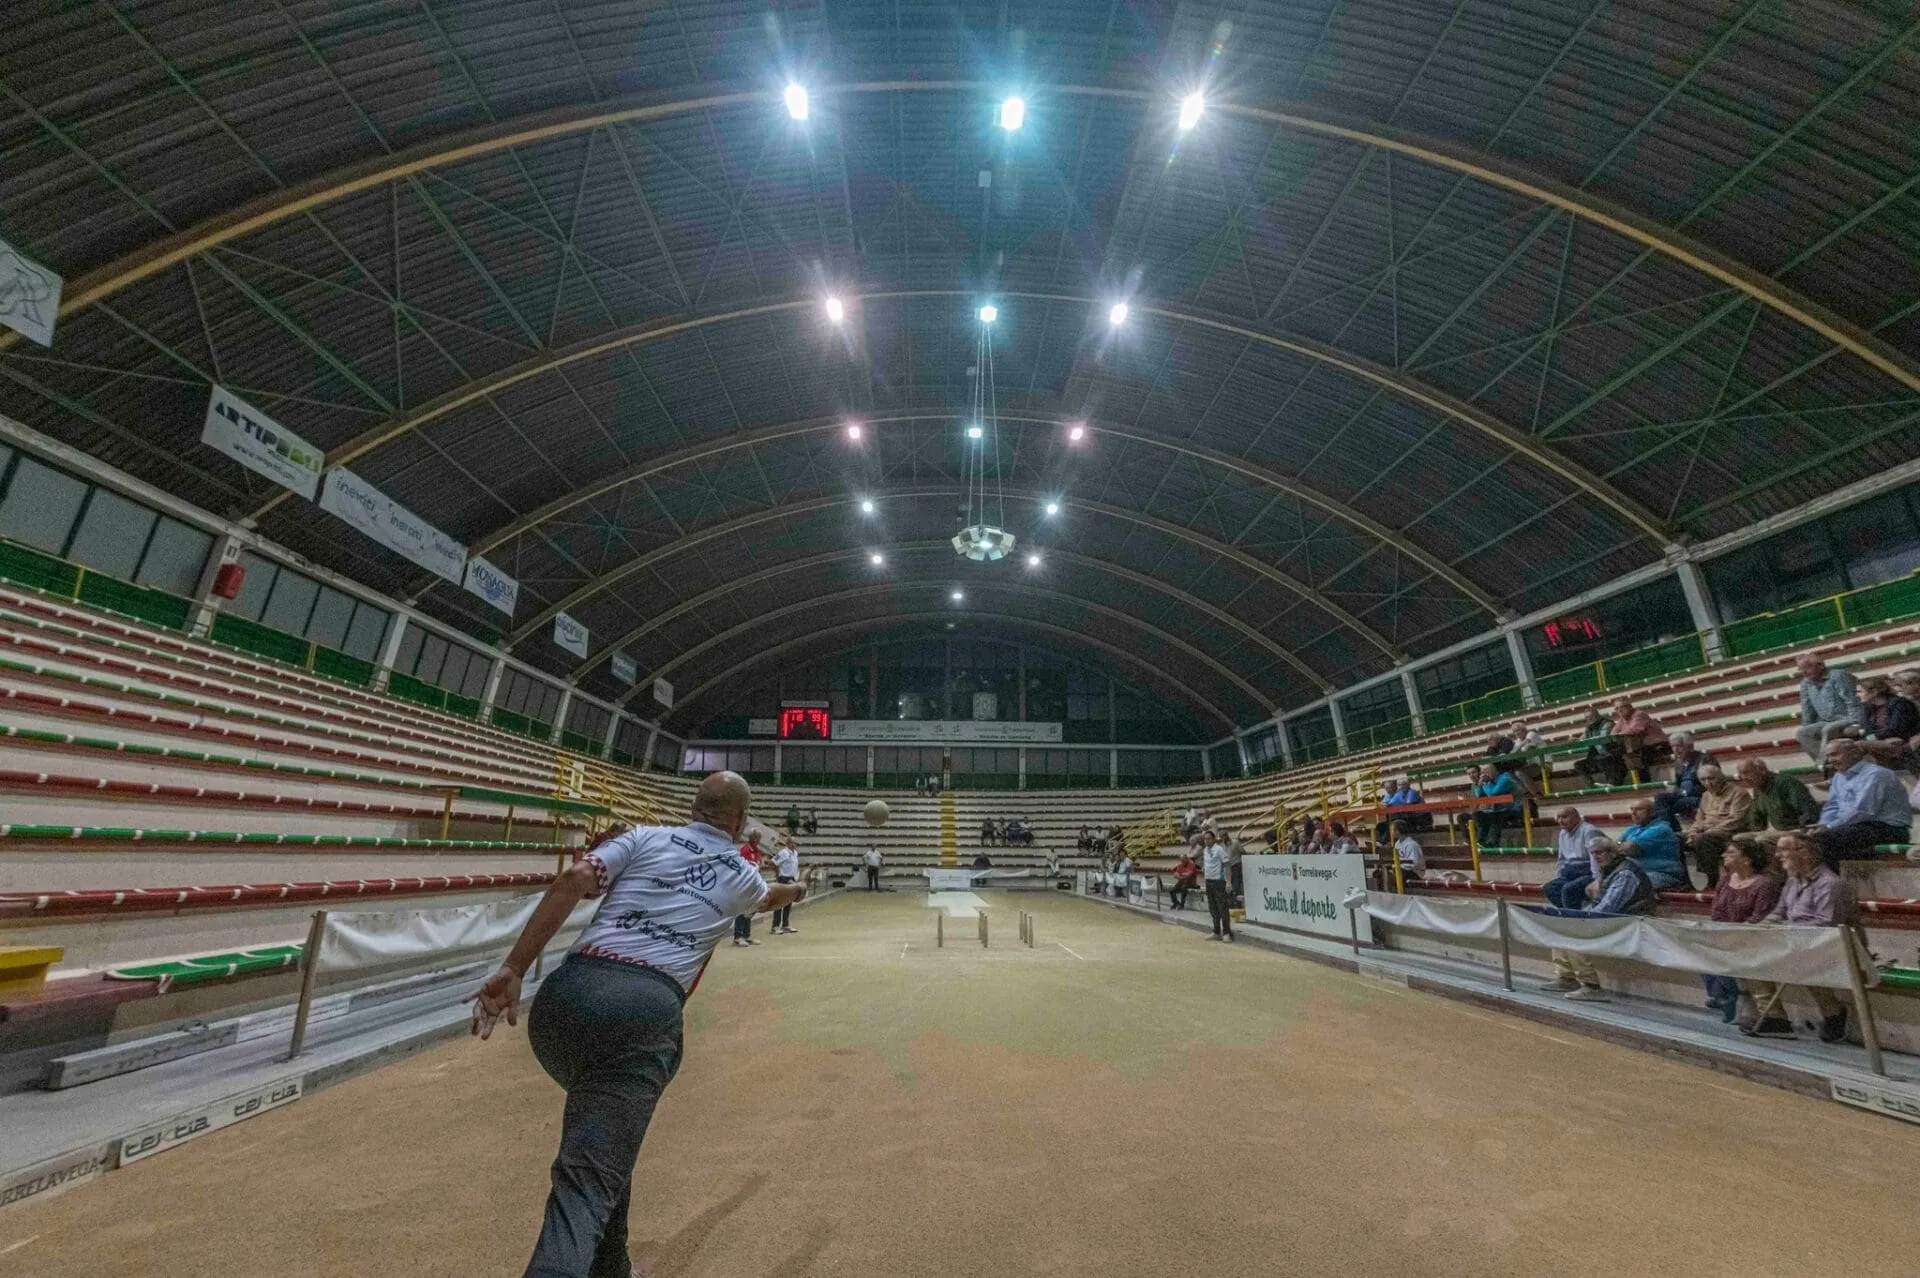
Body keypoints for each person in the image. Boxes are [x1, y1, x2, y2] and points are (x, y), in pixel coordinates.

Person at [468, 771, 805, 1278]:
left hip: (565, 1000)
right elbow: (769, 898)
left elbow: (574, 880)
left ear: (694, 807)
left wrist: (515, 967)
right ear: (739, 821)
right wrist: (798, 888)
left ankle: (612, 1269)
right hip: (639, 1012)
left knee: (605, 1139)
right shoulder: (741, 873)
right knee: (586, 1180)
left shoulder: (646, 836)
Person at [1737, 833, 1858, 1040]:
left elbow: (1826, 924)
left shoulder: (1830, 883)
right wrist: (1762, 926)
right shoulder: (1792, 882)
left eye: (1783, 849)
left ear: (1804, 852)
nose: (1777, 855)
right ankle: (1775, 1017)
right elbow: (1779, 912)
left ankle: (1833, 1012)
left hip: (1833, 946)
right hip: (1799, 942)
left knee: (1801, 959)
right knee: (1750, 951)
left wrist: (1782, 928)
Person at [1537, 838, 1657, 1001]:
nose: (1595, 857)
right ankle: (1567, 978)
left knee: (1573, 930)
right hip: (1616, 918)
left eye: (1599, 853)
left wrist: (1581, 918)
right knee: (1560, 925)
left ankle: (1591, 986)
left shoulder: (1626, 873)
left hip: (1631, 921)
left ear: (1612, 853)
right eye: (1593, 854)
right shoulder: (1608, 870)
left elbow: (1607, 909)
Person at [1702, 842, 1781, 1021]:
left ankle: (1734, 997)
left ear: (1747, 859)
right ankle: (1724, 995)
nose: (1724, 855)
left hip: (1753, 935)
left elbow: (1760, 916)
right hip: (1727, 933)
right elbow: (1716, 912)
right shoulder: (1725, 881)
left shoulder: (1765, 884)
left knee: (1734, 953)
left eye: (1730, 852)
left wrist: (1735, 933)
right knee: (1702, 948)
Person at [1804, 737, 1912, 866]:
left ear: (1854, 753)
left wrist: (1828, 827)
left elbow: (1863, 810)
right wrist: (1822, 825)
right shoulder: (1839, 777)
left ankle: (1832, 882)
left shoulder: (1876, 774)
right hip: (1858, 826)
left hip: (1889, 829)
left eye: (1834, 754)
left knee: (1824, 839)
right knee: (1799, 839)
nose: (1830, 760)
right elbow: (1832, 807)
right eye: (1828, 756)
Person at [1683, 763, 1754, 889]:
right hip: (1708, 832)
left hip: (1730, 832)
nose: (1708, 783)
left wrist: (1708, 829)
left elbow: (1736, 820)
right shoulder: (1705, 796)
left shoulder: (1738, 793)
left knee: (1704, 838)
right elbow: (1699, 819)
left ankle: (1712, 881)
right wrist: (1693, 832)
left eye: (1711, 778)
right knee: (1675, 839)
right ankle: (1684, 881)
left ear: (1721, 777)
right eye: (1703, 780)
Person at [1794, 653, 1861, 763]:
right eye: (1801, 669)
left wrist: (1856, 723)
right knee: (1802, 733)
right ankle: (1827, 763)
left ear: (1820, 665)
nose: (1804, 672)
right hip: (1826, 721)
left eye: (1807, 667)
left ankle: (1826, 764)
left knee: (1828, 729)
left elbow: (1852, 701)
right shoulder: (1805, 683)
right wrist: (1808, 727)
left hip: (1847, 718)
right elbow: (1807, 709)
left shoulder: (1838, 676)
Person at [1614, 796, 1689, 890]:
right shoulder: (1632, 829)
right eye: (1632, 809)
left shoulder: (1661, 829)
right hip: (1640, 873)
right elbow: (1615, 847)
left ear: (1652, 812)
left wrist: (1622, 845)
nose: (1633, 813)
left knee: (1626, 884)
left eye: (1639, 809)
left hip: (1663, 874)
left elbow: (1630, 848)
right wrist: (1621, 845)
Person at [1735, 757, 1820, 840]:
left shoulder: (1786, 783)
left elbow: (1808, 811)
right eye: (1740, 774)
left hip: (1796, 829)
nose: (1743, 778)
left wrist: (1804, 832)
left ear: (1762, 770)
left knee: (1762, 839)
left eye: (1746, 773)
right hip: (1778, 831)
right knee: (1739, 838)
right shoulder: (1758, 789)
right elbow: (1757, 819)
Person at [1851, 674, 1919, 770]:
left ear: (1874, 692)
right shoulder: (1868, 707)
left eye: (1859, 691)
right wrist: (1873, 738)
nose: (1857, 695)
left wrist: (1874, 737)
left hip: (1900, 740)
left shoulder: (1899, 703)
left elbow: (1896, 729)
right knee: (1845, 745)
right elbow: (1866, 728)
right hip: (1880, 741)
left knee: (1857, 746)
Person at [1545, 807, 1606, 909]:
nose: (1560, 821)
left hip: (1588, 872)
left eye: (1564, 817)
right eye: (1558, 817)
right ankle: (1569, 913)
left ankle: (1575, 917)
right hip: (1571, 872)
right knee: (1550, 888)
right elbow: (1562, 859)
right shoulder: (1562, 833)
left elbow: (1596, 857)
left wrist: (1597, 880)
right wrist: (1559, 876)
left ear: (1576, 817)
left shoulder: (1589, 831)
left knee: (1568, 889)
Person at [1650, 733, 1713, 831]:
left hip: (1700, 796)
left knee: (1664, 808)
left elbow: (1710, 783)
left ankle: (1672, 832)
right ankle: (1672, 831)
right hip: (1683, 795)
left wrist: (1684, 792)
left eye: (1679, 746)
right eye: (1673, 746)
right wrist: (1675, 790)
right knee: (1660, 799)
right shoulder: (1679, 763)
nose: (1675, 750)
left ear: (1689, 746)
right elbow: (1679, 783)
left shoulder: (1705, 759)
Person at [1609, 698, 1671, 780]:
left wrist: (1619, 734)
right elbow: (1612, 734)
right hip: (1643, 747)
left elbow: (1634, 730)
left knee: (1633, 756)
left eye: (1622, 707)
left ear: (1629, 706)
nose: (1619, 710)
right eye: (1616, 709)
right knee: (1617, 756)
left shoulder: (1639, 714)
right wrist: (1617, 734)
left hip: (1658, 745)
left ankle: (1647, 782)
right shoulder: (1622, 719)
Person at [731, 832, 767, 946]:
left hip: (754, 884)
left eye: (759, 837)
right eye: (755, 837)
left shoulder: (756, 850)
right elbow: (741, 865)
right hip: (745, 883)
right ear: (750, 837)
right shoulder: (745, 849)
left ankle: (747, 935)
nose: (757, 839)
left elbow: (758, 865)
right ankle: (738, 936)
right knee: (742, 909)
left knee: (750, 910)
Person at [1471, 764, 1519, 848]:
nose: (1481, 775)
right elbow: (1480, 796)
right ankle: (1481, 842)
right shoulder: (1490, 781)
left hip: (1517, 809)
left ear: (1490, 772)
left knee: (1495, 816)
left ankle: (1492, 843)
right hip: (1501, 810)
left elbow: (1493, 794)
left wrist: (1484, 783)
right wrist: (1480, 784)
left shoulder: (1504, 778)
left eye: (1483, 773)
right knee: (1480, 815)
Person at [1574, 703, 1617, 785]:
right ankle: (1591, 785)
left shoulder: (1607, 723)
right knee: (1579, 765)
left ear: (1597, 715)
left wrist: (1586, 740)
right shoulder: (1589, 728)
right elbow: (1582, 739)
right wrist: (1576, 740)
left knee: (1603, 758)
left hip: (1611, 754)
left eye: (1591, 716)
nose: (1589, 719)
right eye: (1587, 717)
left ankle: (1612, 784)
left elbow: (1603, 738)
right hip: (1598, 756)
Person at [1202, 831, 1233, 941]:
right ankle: (1216, 930)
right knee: (1213, 908)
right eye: (1205, 839)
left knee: (1222, 908)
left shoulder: (1219, 849)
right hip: (1208, 881)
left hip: (1218, 881)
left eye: (1209, 838)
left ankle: (1226, 932)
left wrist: (1228, 882)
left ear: (1214, 839)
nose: (1207, 841)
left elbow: (1227, 864)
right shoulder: (1205, 850)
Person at [771, 835, 800, 935]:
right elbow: (774, 862)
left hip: (792, 879)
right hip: (783, 878)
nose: (794, 844)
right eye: (792, 842)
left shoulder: (795, 853)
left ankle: (785, 924)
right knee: (779, 903)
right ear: (787, 843)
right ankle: (775, 926)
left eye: (795, 843)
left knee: (788, 902)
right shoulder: (783, 852)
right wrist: (777, 875)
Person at [1390, 820, 1425, 886]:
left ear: (1397, 831)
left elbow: (1414, 862)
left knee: (1396, 876)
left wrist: (1400, 867)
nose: (1391, 832)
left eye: (1392, 830)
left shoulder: (1411, 844)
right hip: (1401, 870)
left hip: (1415, 872)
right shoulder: (1397, 843)